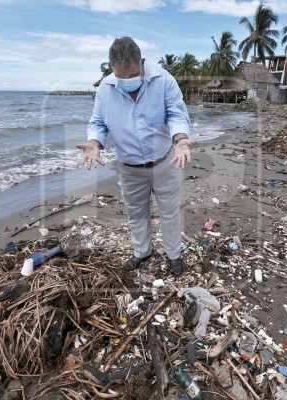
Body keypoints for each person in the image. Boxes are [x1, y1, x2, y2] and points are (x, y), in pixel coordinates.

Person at [76, 36, 194, 276]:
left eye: (132, 75)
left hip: (164, 161)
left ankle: (174, 255)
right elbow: (98, 122)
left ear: (141, 62)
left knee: (169, 212)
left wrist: (181, 140)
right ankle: (143, 251)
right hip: (129, 166)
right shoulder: (106, 89)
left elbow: (177, 114)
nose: (128, 81)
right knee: (136, 213)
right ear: (112, 69)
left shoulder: (163, 80)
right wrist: (94, 142)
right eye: (122, 76)